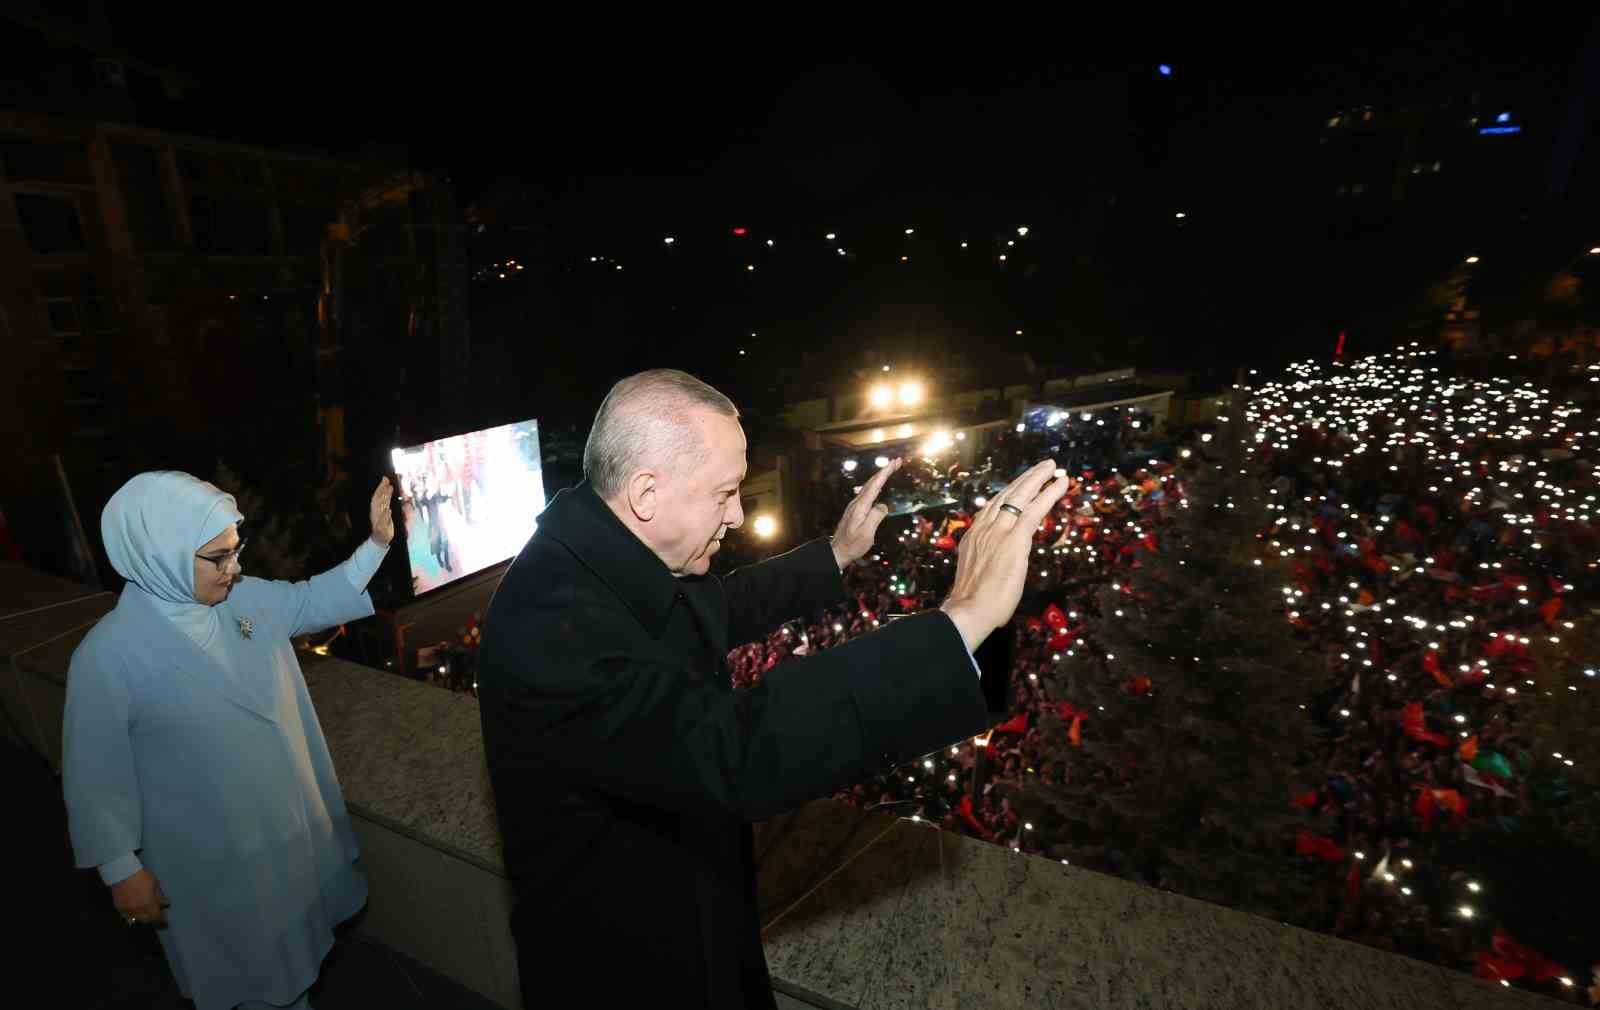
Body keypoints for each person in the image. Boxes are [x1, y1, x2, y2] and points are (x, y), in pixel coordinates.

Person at [476, 369, 1066, 1008]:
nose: (738, 513)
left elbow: (714, 607)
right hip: (625, 969)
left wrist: (834, 555)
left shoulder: (608, 550)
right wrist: (962, 618)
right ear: (647, 491)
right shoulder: (548, 626)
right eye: (726, 492)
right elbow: (734, 750)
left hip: (689, 915)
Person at [61, 471, 396, 1010]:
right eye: (218, 557)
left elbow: (314, 600)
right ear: (159, 554)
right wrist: (121, 869)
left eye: (235, 550)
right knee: (256, 980)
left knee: (295, 962)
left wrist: (377, 545)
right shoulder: (106, 658)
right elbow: (94, 776)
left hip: (284, 833)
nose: (235, 568)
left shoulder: (245, 599)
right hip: (212, 862)